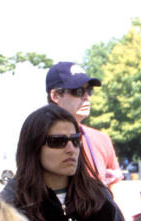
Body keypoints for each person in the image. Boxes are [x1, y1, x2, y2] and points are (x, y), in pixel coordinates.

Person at [46, 62, 122, 195]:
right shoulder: (40, 137)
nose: (86, 97)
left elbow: (116, 192)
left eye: (89, 91)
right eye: (78, 91)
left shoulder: (101, 139)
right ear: (55, 96)